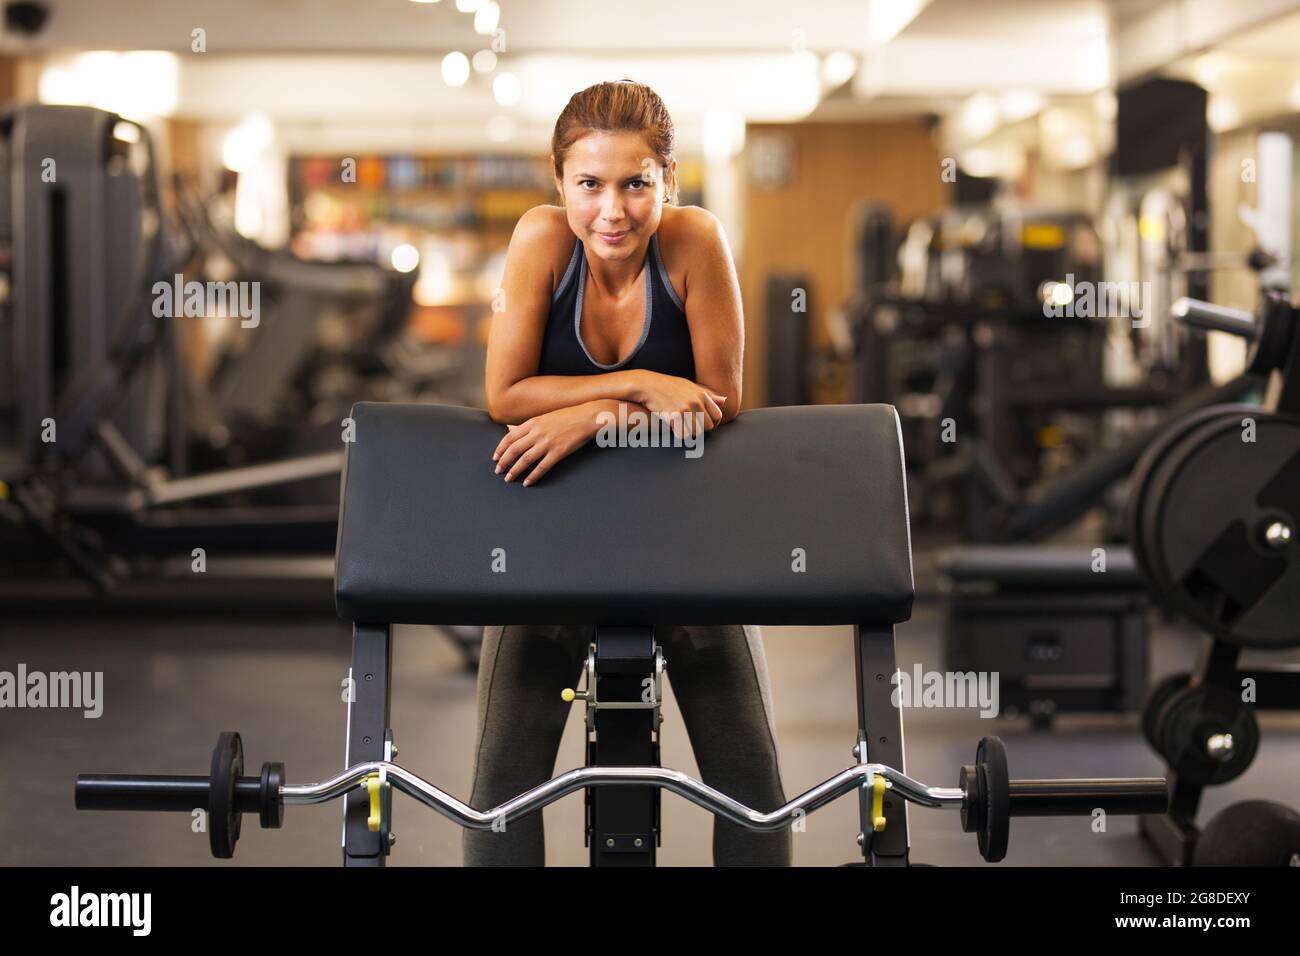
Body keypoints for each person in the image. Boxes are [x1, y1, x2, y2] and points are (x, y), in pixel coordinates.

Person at [468, 79, 791, 866]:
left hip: (683, 547)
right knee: (501, 789)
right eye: (590, 185)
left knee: (750, 784)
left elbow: (720, 400)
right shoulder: (540, 241)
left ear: (667, 181)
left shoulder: (695, 243)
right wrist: (634, 392)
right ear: (560, 182)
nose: (611, 211)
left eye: (635, 184)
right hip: (551, 545)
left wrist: (588, 416)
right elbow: (504, 393)